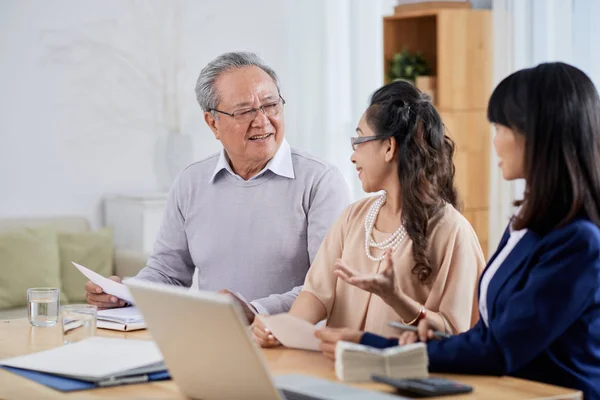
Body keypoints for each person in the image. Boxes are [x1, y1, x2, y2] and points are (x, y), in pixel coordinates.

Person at [318, 63, 600, 398]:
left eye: (501, 128)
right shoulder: (525, 225)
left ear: (536, 135)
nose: (494, 143)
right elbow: (487, 333)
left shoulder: (579, 243)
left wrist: (377, 348)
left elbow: (501, 348)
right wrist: (429, 338)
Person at [84, 52, 350, 322]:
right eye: (244, 111)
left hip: (292, 342)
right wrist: (123, 293)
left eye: (271, 105)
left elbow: (327, 285)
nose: (262, 120)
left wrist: (256, 311)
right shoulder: (191, 182)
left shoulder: (320, 180)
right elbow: (167, 273)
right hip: (212, 339)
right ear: (213, 122)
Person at [252, 80, 486, 351]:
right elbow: (316, 294)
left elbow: (456, 334)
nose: (352, 156)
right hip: (338, 376)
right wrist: (283, 330)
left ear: (388, 147)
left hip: (403, 384)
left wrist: (394, 297)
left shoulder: (452, 231)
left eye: (359, 139)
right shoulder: (354, 217)